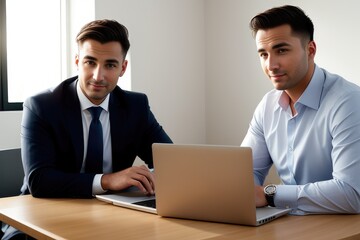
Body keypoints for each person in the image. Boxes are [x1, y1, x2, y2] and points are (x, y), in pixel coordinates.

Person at [2, 19, 172, 239]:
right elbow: (39, 180)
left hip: (112, 217)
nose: (98, 76)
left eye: (110, 64)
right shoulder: (42, 106)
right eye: (90, 62)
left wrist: (152, 178)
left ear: (123, 68)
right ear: (77, 61)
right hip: (40, 218)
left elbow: (170, 163)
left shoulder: (135, 106)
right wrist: (107, 180)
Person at [241, 5, 360, 215]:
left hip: (342, 228)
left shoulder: (348, 102)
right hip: (290, 226)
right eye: (263, 54)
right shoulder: (267, 106)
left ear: (310, 50)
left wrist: (270, 194)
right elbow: (243, 172)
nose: (271, 65)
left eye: (281, 50)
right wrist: (242, 190)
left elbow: (352, 193)